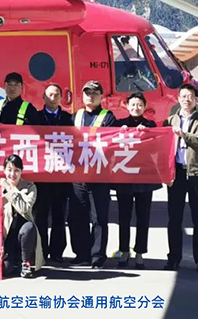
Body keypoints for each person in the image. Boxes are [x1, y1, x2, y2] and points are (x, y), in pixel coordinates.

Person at [162, 84, 198, 274]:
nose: (187, 99)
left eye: (190, 96)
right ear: (178, 99)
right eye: (183, 96)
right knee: (174, 218)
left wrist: (185, 135)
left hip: (197, 174)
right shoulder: (170, 121)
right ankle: (173, 258)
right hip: (176, 174)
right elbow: (161, 145)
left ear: (196, 100)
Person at [68, 80, 116, 269]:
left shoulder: (108, 117)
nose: (91, 96)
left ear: (101, 96)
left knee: (99, 219)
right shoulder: (76, 116)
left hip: (99, 176)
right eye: (87, 93)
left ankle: (97, 257)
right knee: (76, 217)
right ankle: (81, 254)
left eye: (95, 93)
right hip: (78, 176)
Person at [112, 92, 161, 270]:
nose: (136, 108)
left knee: (143, 217)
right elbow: (110, 145)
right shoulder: (119, 124)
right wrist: (120, 133)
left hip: (144, 177)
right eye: (133, 104)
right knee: (123, 217)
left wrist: (147, 133)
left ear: (144, 106)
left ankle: (140, 253)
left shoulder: (150, 125)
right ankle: (124, 251)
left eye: (139, 104)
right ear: (127, 106)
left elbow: (157, 147)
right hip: (124, 176)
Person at [34, 83, 73, 263]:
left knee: (59, 216)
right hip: (41, 175)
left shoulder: (68, 119)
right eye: (50, 95)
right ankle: (41, 250)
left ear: (61, 98)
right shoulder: (35, 118)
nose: (53, 98)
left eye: (57, 95)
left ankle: (57, 252)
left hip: (61, 176)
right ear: (43, 97)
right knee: (40, 215)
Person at [1, 154, 43, 278]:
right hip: (6, 237)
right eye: (9, 170)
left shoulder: (30, 187)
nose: (12, 174)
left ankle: (26, 262)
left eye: (16, 170)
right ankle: (12, 261)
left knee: (29, 227)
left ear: (21, 172)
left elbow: (24, 208)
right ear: (4, 170)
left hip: (23, 237)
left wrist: (10, 189)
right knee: (5, 270)